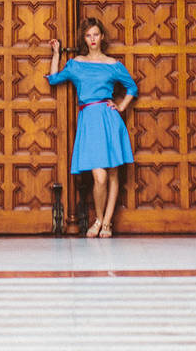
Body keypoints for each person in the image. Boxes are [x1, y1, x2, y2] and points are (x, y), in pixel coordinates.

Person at [45, 18, 137, 237]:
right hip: (89, 120)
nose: (93, 39)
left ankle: (106, 223)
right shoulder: (76, 63)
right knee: (100, 177)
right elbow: (53, 79)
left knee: (113, 174)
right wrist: (56, 53)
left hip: (109, 120)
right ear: (84, 39)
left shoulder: (112, 64)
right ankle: (98, 218)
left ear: (102, 36)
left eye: (96, 34)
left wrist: (121, 107)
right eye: (88, 35)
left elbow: (132, 87)